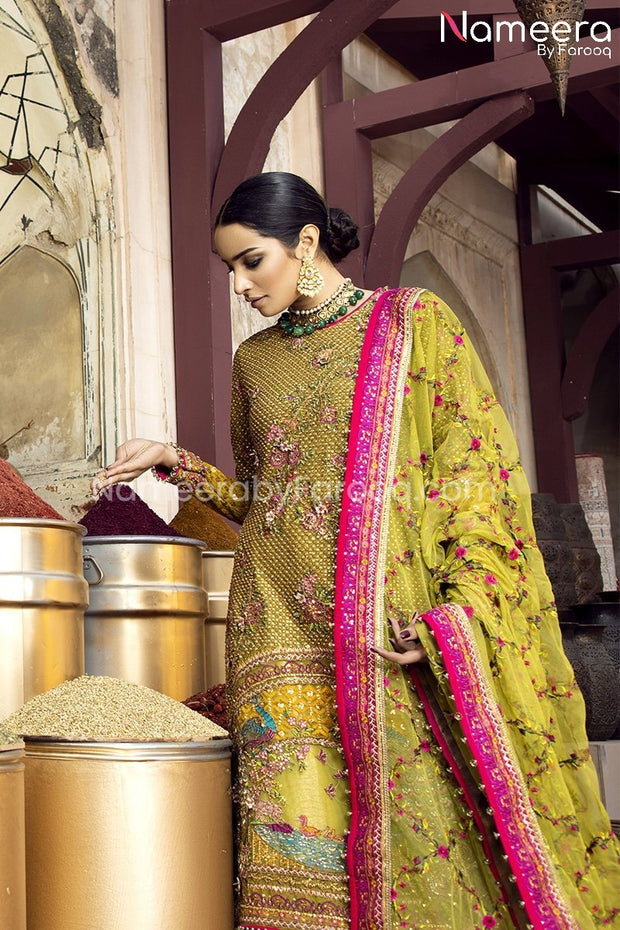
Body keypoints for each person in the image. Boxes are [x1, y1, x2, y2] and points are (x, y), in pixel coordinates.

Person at [93, 172, 619, 930]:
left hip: (381, 635)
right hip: (272, 637)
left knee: (418, 835)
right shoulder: (255, 364)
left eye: (252, 261)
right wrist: (176, 461)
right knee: (294, 851)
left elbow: (475, 482)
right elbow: (268, 502)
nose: (240, 285)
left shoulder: (414, 326)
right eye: (230, 269)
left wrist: (459, 615)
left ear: (305, 244)